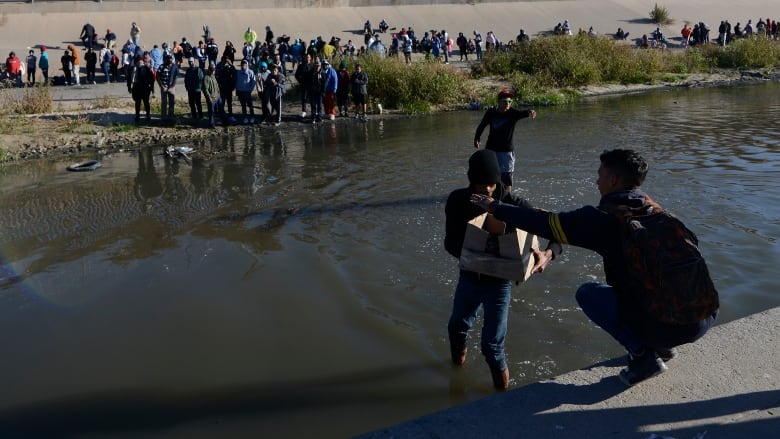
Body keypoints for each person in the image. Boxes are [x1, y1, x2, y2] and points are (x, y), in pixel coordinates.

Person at [470, 149, 719, 386]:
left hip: (668, 327)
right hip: (703, 317)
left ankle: (644, 358)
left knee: (589, 294)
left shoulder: (605, 220)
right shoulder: (656, 212)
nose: (596, 181)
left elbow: (545, 224)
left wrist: (495, 207)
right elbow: (556, 222)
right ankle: (662, 346)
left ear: (613, 179)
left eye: (600, 175)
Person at [445, 149, 560, 390]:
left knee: (492, 346)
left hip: (498, 284)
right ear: (470, 180)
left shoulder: (512, 203)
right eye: (480, 184)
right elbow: (449, 241)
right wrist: (470, 253)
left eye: (491, 184)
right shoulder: (457, 201)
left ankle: (501, 397)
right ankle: (456, 378)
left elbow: (556, 231)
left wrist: (547, 254)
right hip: (470, 276)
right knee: (456, 328)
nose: (487, 190)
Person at [473, 89, 537, 192]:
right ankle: (489, 195)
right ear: (498, 102)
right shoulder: (491, 113)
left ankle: (507, 199)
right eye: (505, 101)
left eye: (510, 101)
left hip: (506, 152)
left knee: (507, 178)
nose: (507, 104)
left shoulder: (513, 113)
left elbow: (524, 113)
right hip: (491, 150)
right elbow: (482, 126)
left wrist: (530, 112)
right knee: (489, 175)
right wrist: (477, 138)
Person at [127, 55, 154, 122]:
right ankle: (137, 115)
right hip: (136, 88)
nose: (140, 62)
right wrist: (129, 87)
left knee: (146, 102)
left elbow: (152, 78)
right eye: (138, 61)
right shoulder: (132, 69)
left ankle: (148, 115)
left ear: (143, 61)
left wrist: (152, 88)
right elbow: (129, 79)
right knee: (137, 102)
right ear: (136, 62)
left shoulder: (146, 68)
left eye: (141, 61)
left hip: (145, 88)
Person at [156, 55, 179, 124]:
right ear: (165, 60)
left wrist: (172, 87)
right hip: (164, 86)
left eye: (171, 59)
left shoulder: (175, 67)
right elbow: (157, 76)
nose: (169, 61)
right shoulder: (161, 66)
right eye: (168, 60)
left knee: (172, 102)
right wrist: (161, 86)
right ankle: (164, 117)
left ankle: (170, 116)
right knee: (164, 102)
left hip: (171, 87)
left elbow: (176, 77)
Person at [202, 63, 224, 128]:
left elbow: (217, 85)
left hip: (217, 97)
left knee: (221, 110)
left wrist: (219, 93)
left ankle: (224, 121)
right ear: (208, 69)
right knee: (211, 112)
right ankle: (211, 124)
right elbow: (205, 89)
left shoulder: (213, 76)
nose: (212, 71)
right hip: (211, 98)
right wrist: (209, 98)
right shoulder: (206, 78)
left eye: (213, 70)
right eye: (211, 70)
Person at [235, 58, 256, 124]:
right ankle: (245, 117)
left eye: (244, 65)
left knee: (250, 105)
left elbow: (253, 82)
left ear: (247, 65)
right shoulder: (238, 72)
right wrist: (237, 90)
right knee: (243, 105)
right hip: (240, 91)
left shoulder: (250, 72)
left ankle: (252, 117)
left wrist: (250, 89)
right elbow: (236, 81)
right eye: (242, 65)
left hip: (247, 91)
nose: (243, 66)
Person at [216, 55, 236, 122]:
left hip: (229, 87)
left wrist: (231, 64)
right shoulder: (219, 66)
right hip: (222, 87)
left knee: (229, 102)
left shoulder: (229, 66)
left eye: (227, 60)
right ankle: (222, 115)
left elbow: (234, 73)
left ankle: (230, 115)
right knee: (222, 102)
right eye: (225, 60)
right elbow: (217, 74)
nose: (226, 62)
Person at [184, 57, 204, 124]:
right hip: (190, 90)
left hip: (197, 90)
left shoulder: (198, 70)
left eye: (191, 61)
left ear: (194, 61)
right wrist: (187, 87)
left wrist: (199, 87)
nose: (190, 63)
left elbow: (201, 79)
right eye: (189, 61)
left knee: (198, 104)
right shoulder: (188, 70)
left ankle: (201, 116)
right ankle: (194, 116)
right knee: (191, 104)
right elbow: (186, 80)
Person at [294, 53, 312, 119]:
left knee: (312, 98)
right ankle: (304, 111)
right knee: (304, 98)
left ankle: (313, 111)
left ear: (310, 58)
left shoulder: (312, 65)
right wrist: (300, 81)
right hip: (304, 84)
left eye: (308, 57)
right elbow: (296, 75)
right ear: (304, 58)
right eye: (306, 57)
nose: (307, 58)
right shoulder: (301, 66)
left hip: (311, 85)